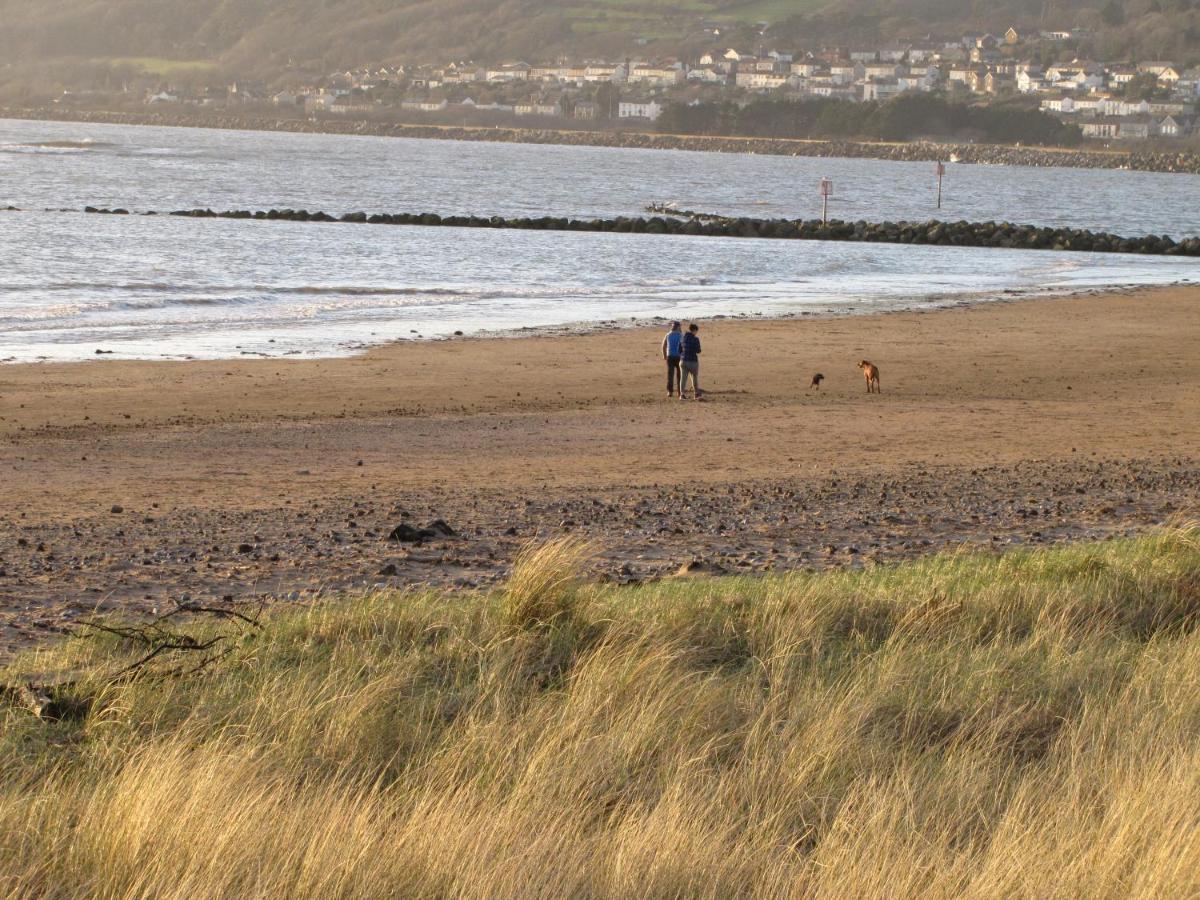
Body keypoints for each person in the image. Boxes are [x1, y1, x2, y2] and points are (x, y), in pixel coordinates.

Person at [679, 322, 702, 400]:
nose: (696, 333)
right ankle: (696, 394)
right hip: (692, 361)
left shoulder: (682, 338)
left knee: (683, 378)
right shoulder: (695, 339)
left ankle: (682, 394)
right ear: (694, 330)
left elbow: (679, 350)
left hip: (683, 360)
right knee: (694, 377)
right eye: (696, 331)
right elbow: (698, 350)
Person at [661, 321, 683, 398]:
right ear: (678, 327)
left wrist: (664, 355)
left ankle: (670, 391)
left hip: (670, 356)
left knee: (670, 375)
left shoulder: (668, 334)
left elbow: (663, 346)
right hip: (679, 356)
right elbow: (683, 345)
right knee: (679, 375)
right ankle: (680, 392)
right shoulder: (681, 335)